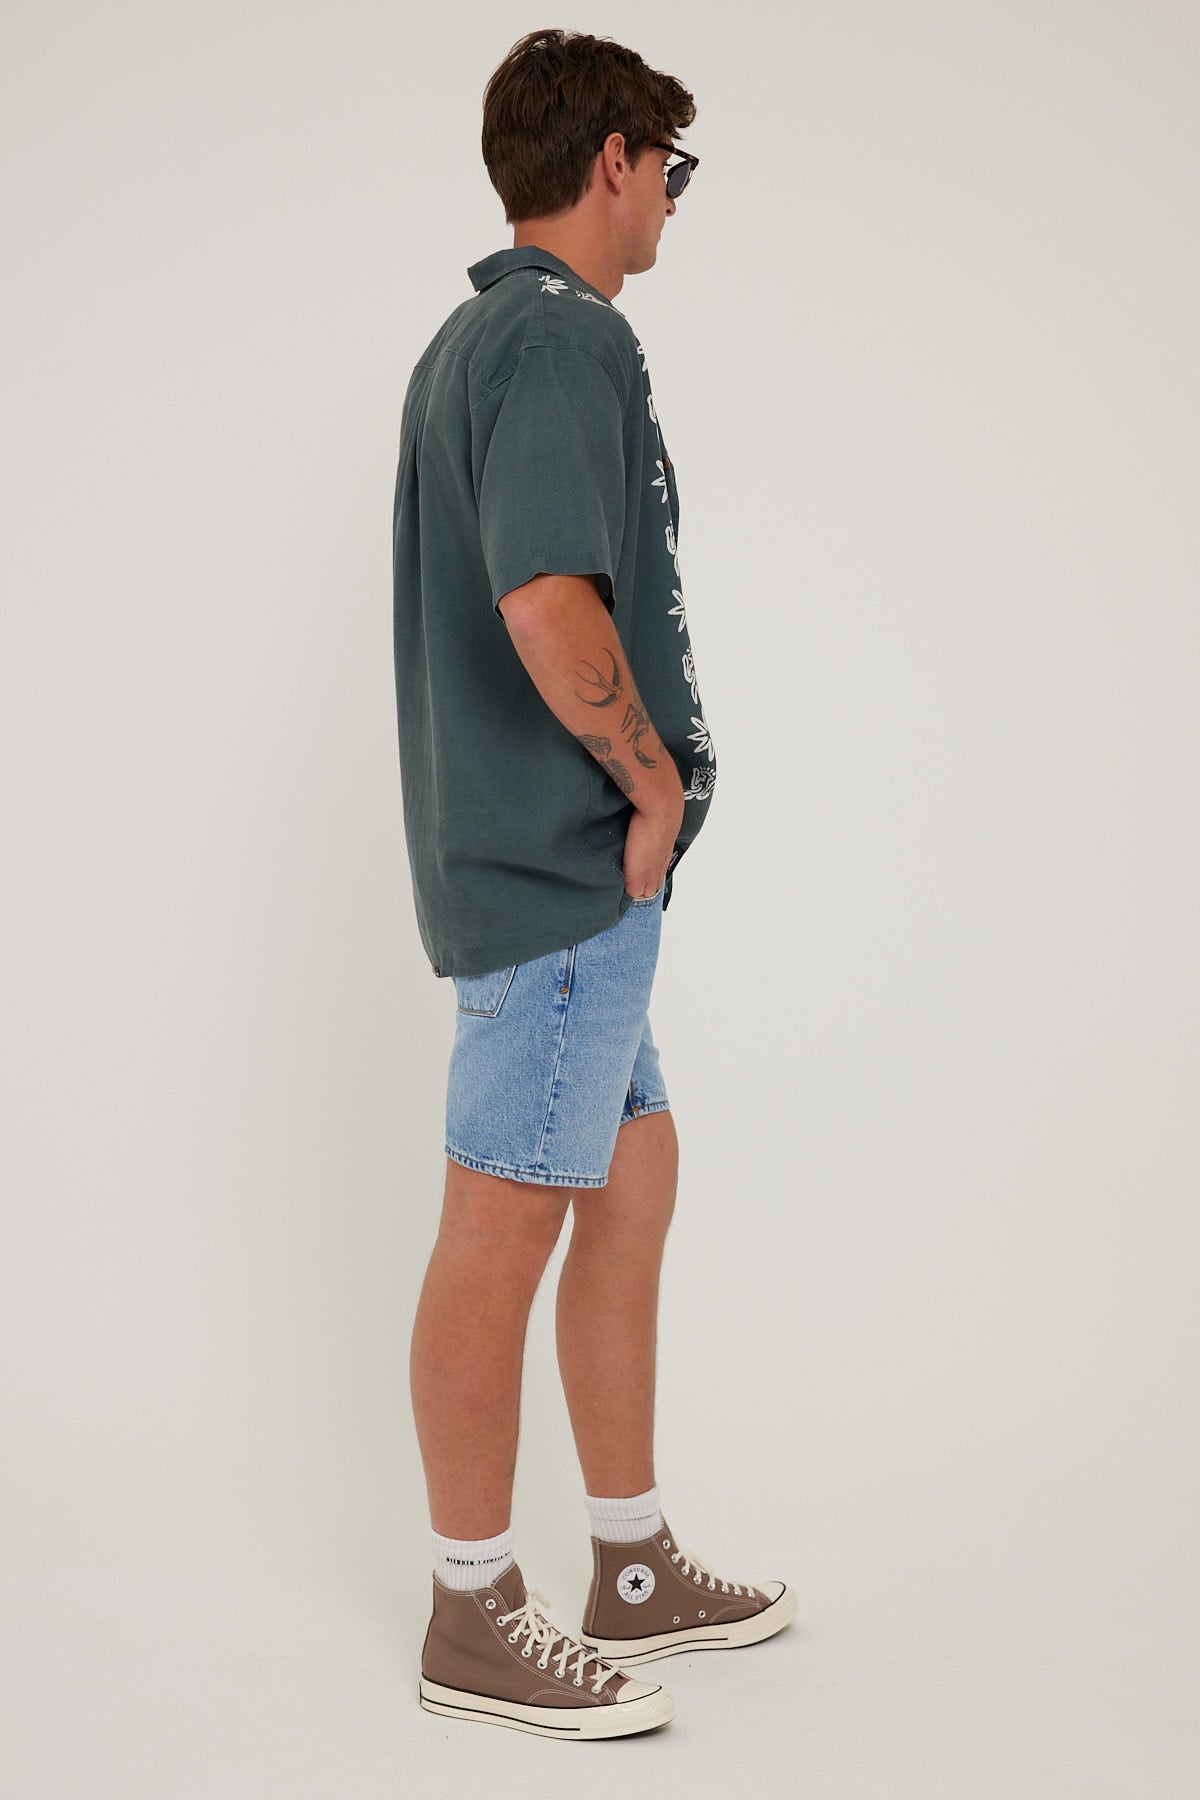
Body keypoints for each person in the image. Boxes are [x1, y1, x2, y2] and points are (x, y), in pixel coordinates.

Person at [391, 29, 795, 1740]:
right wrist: (649, 782)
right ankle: (472, 1610)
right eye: (669, 171)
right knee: (504, 1220)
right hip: (559, 870)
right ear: (614, 159)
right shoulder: (560, 338)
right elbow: (548, 598)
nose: (672, 204)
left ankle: (629, 1563)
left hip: (569, 885)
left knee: (632, 1177)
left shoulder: (483, 336)